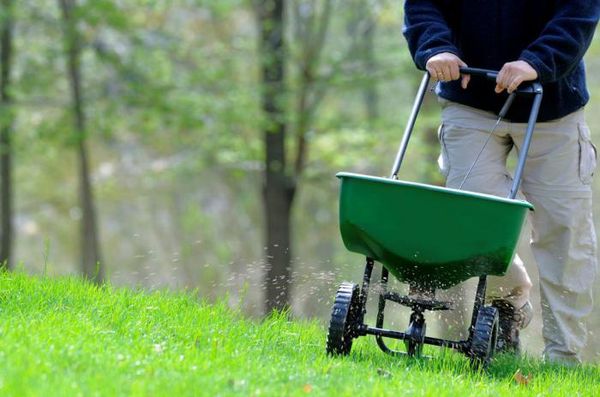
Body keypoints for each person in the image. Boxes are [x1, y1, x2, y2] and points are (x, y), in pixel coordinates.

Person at [403, 1, 599, 364]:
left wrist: (537, 61)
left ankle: (564, 357)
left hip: (553, 103)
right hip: (470, 98)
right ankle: (507, 306)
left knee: (564, 233)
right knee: (474, 220)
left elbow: (580, 10)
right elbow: (424, 4)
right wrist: (436, 46)